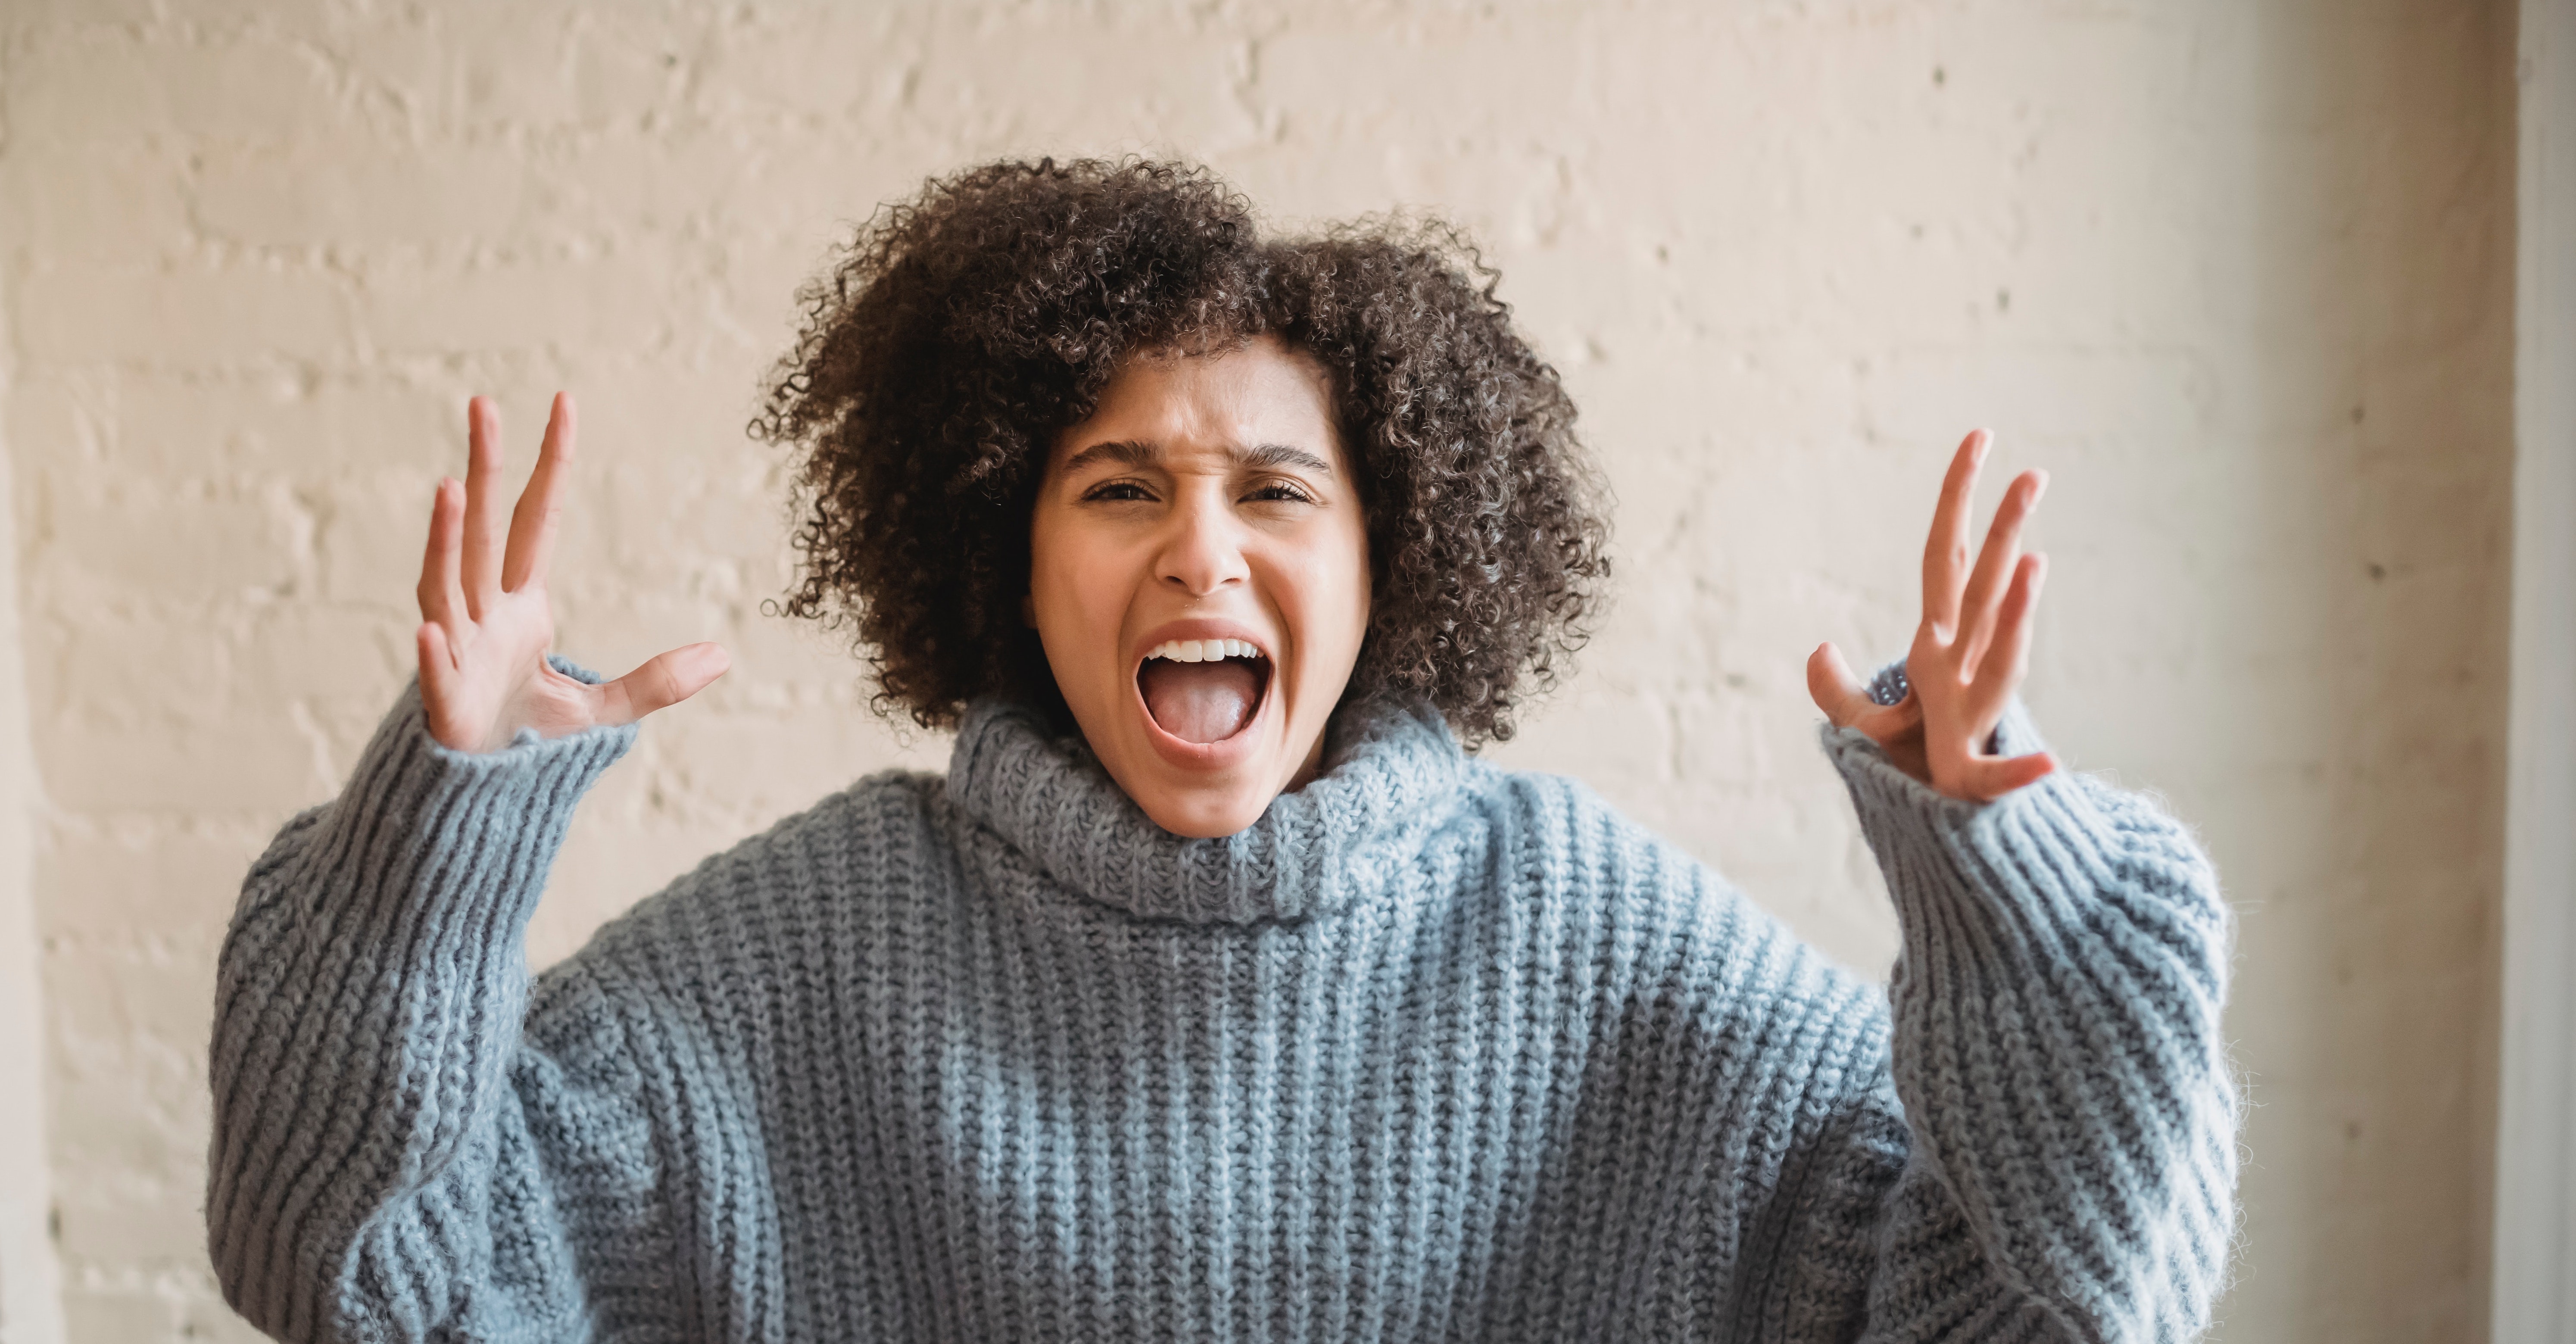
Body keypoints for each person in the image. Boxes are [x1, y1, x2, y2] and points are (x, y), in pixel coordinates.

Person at [205, 159, 2236, 1342]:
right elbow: (364, 1280)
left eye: (1279, 490)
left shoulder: (1588, 941)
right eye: (1115, 489)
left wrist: (2019, 904)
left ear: (1390, 563)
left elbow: (2066, 1311)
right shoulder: (802, 958)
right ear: (1007, 554)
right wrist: (423, 858)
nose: (1200, 547)